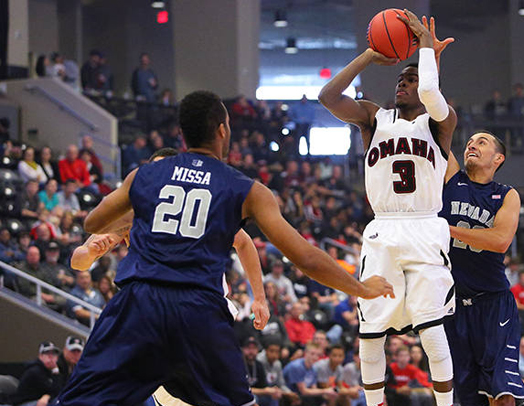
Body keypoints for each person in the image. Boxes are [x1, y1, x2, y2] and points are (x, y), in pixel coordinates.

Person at [56, 90, 392, 406]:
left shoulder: (144, 175)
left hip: (138, 303)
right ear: (221, 130)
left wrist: (140, 213)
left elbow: (93, 222)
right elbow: (305, 257)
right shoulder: (246, 189)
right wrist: (361, 288)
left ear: (183, 134)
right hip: (197, 308)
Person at [319, 11, 456, 406]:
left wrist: (427, 50)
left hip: (426, 226)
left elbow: (432, 93)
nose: (403, 84)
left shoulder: (439, 123)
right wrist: (367, 56)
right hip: (383, 228)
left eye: (410, 80)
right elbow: (327, 97)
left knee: (431, 329)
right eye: (401, 78)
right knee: (371, 329)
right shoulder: (373, 117)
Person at [439, 131, 524, 406]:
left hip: (493, 304)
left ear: (498, 158)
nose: (471, 145)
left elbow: (500, 240)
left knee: (503, 394)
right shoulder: (452, 180)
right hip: (454, 307)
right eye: (469, 142)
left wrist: (445, 230)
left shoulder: (506, 195)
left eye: (481, 142)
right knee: (472, 398)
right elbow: (438, 133)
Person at [5, 342, 62, 406]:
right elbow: (55, 391)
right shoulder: (35, 371)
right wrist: (55, 372)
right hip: (23, 403)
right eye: (47, 353)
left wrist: (47, 396)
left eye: (54, 354)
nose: (51, 357)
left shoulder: (49, 371)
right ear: (40, 356)